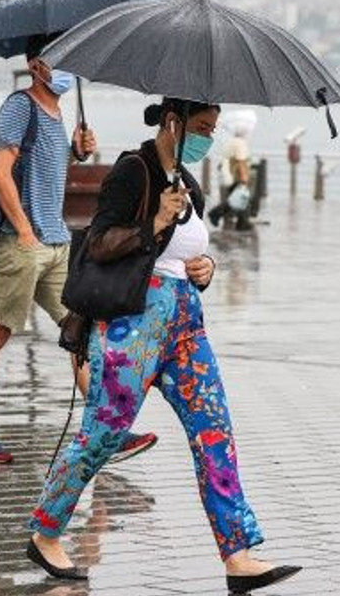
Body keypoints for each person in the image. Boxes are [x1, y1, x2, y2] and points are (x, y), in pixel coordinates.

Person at [25, 99, 301, 594]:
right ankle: (46, 531)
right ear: (173, 122)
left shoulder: (189, 183)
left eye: (213, 129)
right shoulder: (134, 171)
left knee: (214, 429)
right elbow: (98, 242)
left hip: (185, 324)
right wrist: (152, 223)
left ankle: (237, 554)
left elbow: (190, 255)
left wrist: (207, 270)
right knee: (103, 434)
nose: (207, 138)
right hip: (133, 323)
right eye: (200, 127)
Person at [0, 34, 158, 465]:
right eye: (55, 59)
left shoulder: (56, 111)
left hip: (56, 243)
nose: (63, 68)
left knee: (81, 329)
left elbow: (43, 171)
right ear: (35, 64)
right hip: (23, 244)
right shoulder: (19, 107)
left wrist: (74, 153)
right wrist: (24, 232)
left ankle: (106, 431)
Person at [209, 109, 257, 230]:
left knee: (237, 199)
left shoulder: (231, 141)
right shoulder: (240, 143)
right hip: (236, 176)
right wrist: (244, 178)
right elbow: (241, 162)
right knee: (240, 199)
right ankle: (218, 214)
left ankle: (241, 222)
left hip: (229, 175)